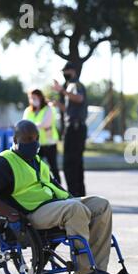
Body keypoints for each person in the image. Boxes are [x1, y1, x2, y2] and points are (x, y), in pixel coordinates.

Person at [0, 120, 120, 274]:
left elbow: (54, 186)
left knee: (101, 205)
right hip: (30, 213)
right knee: (74, 209)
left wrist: (71, 198)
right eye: (27, 139)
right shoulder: (2, 162)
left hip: (54, 205)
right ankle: (83, 273)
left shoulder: (37, 161)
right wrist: (9, 213)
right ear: (15, 139)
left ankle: (97, 271)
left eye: (36, 138)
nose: (33, 143)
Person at [52, 62, 87, 197]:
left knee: (71, 164)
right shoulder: (70, 86)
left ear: (71, 71)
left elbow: (79, 98)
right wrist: (58, 104)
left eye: (65, 72)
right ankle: (78, 194)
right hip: (73, 127)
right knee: (74, 163)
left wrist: (61, 90)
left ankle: (74, 194)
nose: (64, 75)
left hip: (75, 129)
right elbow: (70, 110)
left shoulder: (75, 85)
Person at [23, 89, 61, 183]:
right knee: (35, 168)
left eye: (34, 98)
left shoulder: (49, 109)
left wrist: (31, 125)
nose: (32, 100)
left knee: (53, 167)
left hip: (49, 143)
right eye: (31, 98)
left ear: (40, 97)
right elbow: (23, 124)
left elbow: (46, 123)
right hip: (35, 144)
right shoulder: (28, 110)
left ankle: (59, 187)